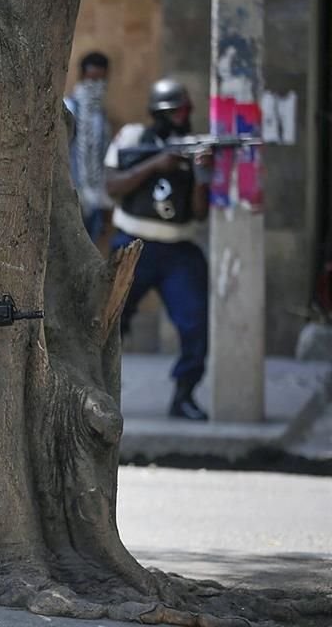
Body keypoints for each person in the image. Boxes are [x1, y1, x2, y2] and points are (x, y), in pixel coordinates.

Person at [104, 78, 213, 422]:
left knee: (195, 324)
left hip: (179, 249)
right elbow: (113, 185)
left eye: (186, 110)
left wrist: (202, 175)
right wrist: (155, 165)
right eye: (176, 111)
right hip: (132, 246)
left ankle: (184, 395)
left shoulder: (194, 146)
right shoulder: (134, 138)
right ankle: (101, 391)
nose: (183, 116)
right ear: (159, 113)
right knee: (107, 322)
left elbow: (200, 212)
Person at [65, 51, 113, 242]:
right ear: (83, 76)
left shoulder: (101, 115)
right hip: (72, 194)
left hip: (97, 197)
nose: (96, 85)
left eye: (101, 79)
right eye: (92, 79)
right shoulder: (69, 108)